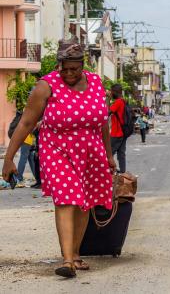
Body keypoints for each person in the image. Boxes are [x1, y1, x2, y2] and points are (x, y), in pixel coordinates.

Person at [1, 36, 115, 278]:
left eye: (75, 69)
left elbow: (103, 123)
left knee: (84, 201)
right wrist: (9, 158)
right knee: (67, 199)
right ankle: (66, 261)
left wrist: (108, 155)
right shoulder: (46, 85)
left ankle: (75, 254)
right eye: (65, 69)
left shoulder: (96, 83)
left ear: (83, 65)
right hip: (57, 149)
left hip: (91, 150)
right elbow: (26, 123)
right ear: (58, 65)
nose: (70, 73)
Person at [109, 84, 127, 173]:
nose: (110, 93)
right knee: (121, 153)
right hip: (123, 132)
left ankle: (107, 172)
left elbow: (107, 112)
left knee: (109, 153)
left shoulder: (118, 102)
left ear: (115, 92)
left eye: (111, 91)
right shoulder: (123, 101)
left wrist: (107, 98)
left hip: (117, 132)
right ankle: (123, 172)